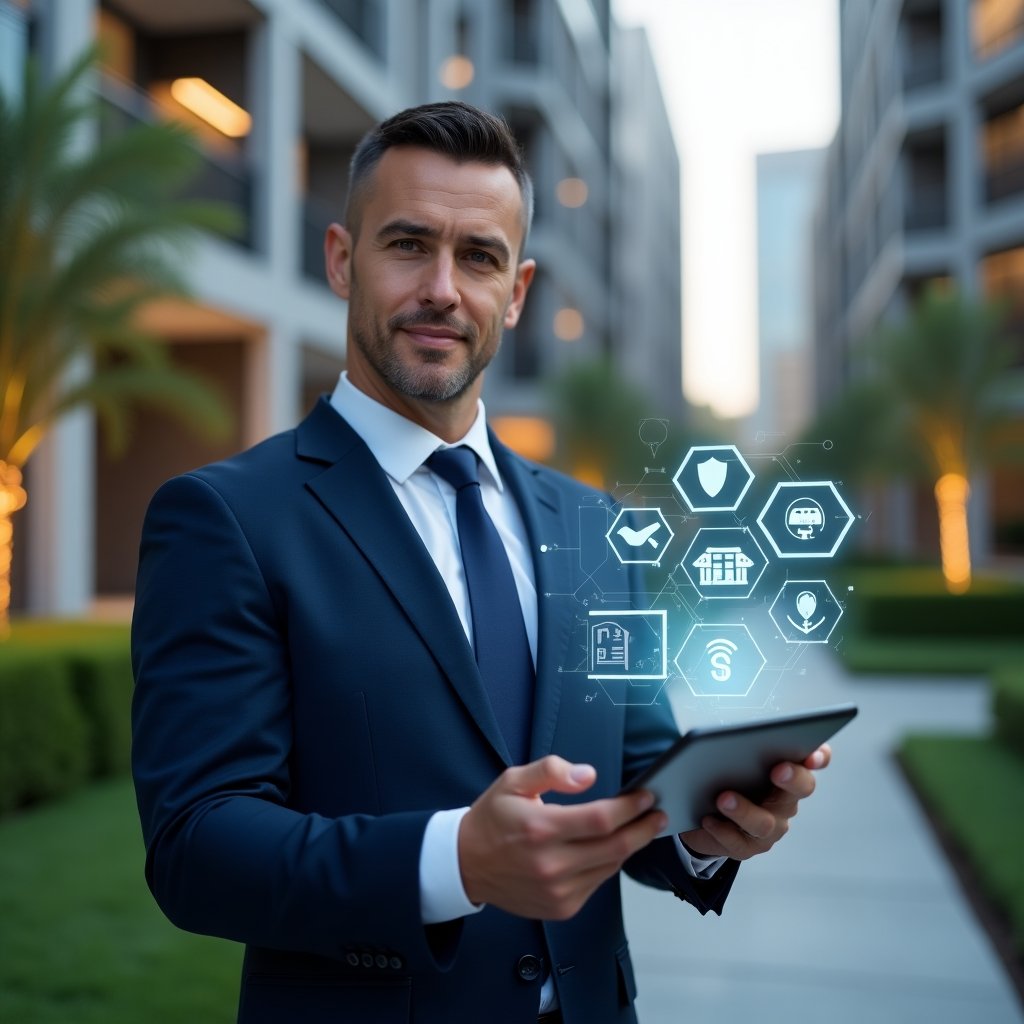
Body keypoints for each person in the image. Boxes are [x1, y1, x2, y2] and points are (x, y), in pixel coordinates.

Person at [131, 100, 829, 1024]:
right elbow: (196, 844)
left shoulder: (595, 526)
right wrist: (452, 862)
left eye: (480, 257)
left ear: (519, 290)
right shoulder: (226, 519)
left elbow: (631, 771)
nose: (443, 290)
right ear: (341, 259)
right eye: (408, 245)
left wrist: (708, 829)